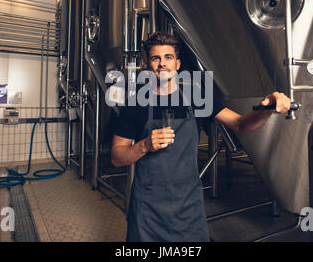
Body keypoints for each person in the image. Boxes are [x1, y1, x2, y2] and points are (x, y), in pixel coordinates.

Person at [111, 32, 291, 242]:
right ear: (147, 64)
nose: (162, 64)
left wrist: (267, 107)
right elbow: (117, 156)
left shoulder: (198, 98)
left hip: (188, 204)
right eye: (155, 58)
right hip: (147, 206)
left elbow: (241, 125)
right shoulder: (135, 104)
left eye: (168, 57)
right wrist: (143, 145)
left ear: (177, 64)